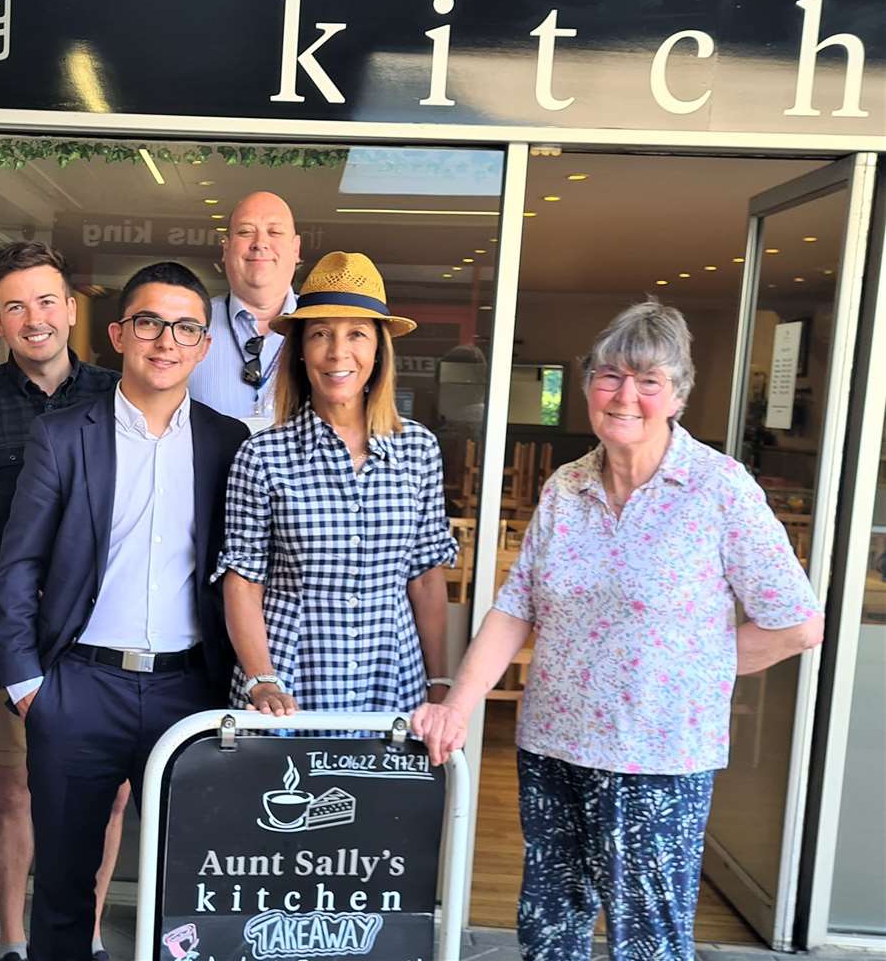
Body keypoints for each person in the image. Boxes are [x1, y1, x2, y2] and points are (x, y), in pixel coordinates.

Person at [412, 300, 825, 961]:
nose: (624, 395)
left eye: (648, 381)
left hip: (658, 758)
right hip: (553, 748)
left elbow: (799, 624)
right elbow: (517, 606)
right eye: (608, 376)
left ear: (679, 396)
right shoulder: (565, 487)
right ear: (587, 387)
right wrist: (456, 705)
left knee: (650, 941)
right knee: (549, 928)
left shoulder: (719, 490)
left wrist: (699, 663)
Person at [0, 261, 249, 961]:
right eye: (149, 322)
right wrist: (27, 684)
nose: (165, 340)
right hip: (78, 689)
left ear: (202, 347)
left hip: (190, 691)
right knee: (66, 888)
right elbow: (18, 566)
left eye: (185, 327)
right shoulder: (63, 435)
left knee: (189, 886)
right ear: (116, 334)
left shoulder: (230, 444)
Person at [0, 241, 127, 961]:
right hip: (9, 634)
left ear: (72, 310)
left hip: (104, 636)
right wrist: (28, 586)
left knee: (106, 794)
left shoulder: (120, 395)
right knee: (14, 790)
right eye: (15, 305)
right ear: (1, 318)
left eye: (46, 301)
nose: (33, 318)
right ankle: (16, 943)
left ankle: (89, 936)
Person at [215, 251, 454, 718]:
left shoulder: (419, 450)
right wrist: (262, 680)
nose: (338, 352)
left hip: (392, 683)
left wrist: (439, 680)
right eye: (321, 333)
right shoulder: (262, 455)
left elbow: (426, 578)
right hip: (287, 691)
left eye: (356, 334)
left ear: (380, 349)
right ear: (301, 349)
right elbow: (243, 581)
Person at [189, 191, 300, 428]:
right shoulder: (189, 326)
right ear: (225, 248)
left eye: (275, 232)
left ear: (296, 249)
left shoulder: (325, 327)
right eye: (245, 232)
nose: (260, 243)